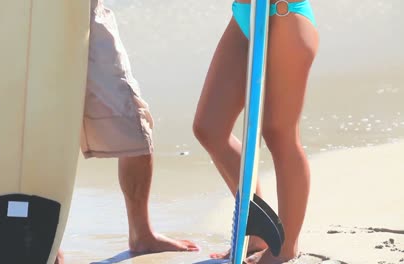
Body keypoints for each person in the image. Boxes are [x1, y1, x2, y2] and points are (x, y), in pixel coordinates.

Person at [56, 1, 199, 263]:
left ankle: (141, 234)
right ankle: (47, 240)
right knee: (39, 130)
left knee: (134, 123)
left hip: (85, 15)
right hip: (21, 20)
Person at [192, 0, 319, 263]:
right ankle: (260, 232)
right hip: (245, 13)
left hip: (285, 13)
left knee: (279, 133)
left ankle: (285, 248)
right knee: (209, 128)